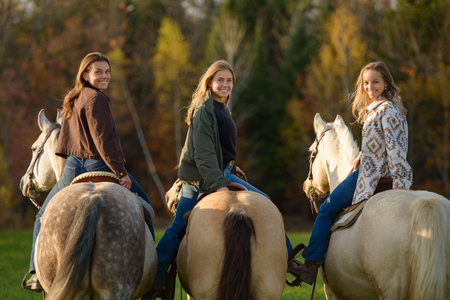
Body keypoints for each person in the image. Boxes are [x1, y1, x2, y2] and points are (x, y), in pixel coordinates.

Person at [146, 60, 296, 297]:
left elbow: (221, 149)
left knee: (265, 201)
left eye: (229, 81)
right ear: (210, 82)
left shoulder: (222, 108)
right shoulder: (203, 111)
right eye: (220, 80)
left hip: (222, 173)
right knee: (178, 227)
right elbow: (203, 154)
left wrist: (231, 168)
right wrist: (218, 186)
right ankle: (154, 277)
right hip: (198, 179)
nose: (225, 85)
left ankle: (288, 259)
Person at [23, 52, 155, 292]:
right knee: (145, 206)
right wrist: (120, 172)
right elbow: (104, 140)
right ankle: (151, 276)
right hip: (99, 165)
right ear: (85, 74)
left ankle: (35, 273)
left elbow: (64, 138)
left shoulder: (73, 97)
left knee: (42, 215)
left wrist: (68, 162)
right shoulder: (98, 100)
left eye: (107, 71)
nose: (104, 76)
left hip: (72, 169)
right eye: (98, 72)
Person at [289, 61, 413, 285]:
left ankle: (310, 267)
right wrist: (363, 154)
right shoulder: (391, 108)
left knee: (326, 211)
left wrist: (401, 186)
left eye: (375, 82)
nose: (370, 87)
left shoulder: (383, 111)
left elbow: (395, 152)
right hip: (373, 167)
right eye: (366, 83)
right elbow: (385, 144)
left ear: (386, 83)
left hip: (371, 177)